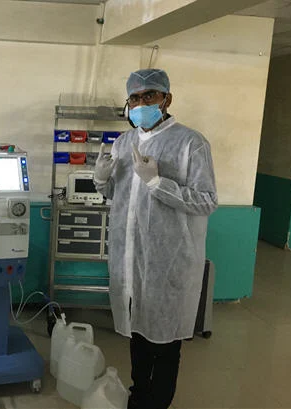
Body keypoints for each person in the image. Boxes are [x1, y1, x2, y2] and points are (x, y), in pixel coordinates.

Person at [93, 68, 218, 409]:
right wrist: (101, 179)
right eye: (135, 97)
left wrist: (157, 183)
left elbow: (206, 201)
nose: (141, 103)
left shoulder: (191, 143)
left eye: (149, 96)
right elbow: (115, 196)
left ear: (167, 99)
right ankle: (138, 394)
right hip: (129, 258)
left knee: (164, 342)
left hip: (169, 261)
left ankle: (157, 402)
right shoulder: (123, 142)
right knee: (138, 333)